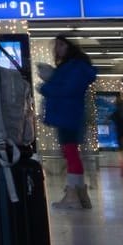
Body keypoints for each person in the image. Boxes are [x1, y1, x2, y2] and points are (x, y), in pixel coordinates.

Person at [38, 36, 98, 210]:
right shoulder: (74, 66)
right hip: (69, 114)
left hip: (68, 115)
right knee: (71, 154)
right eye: (56, 45)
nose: (57, 48)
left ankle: (73, 195)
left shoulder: (75, 67)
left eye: (61, 44)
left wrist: (46, 87)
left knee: (71, 154)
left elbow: (68, 89)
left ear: (71, 46)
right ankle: (79, 194)